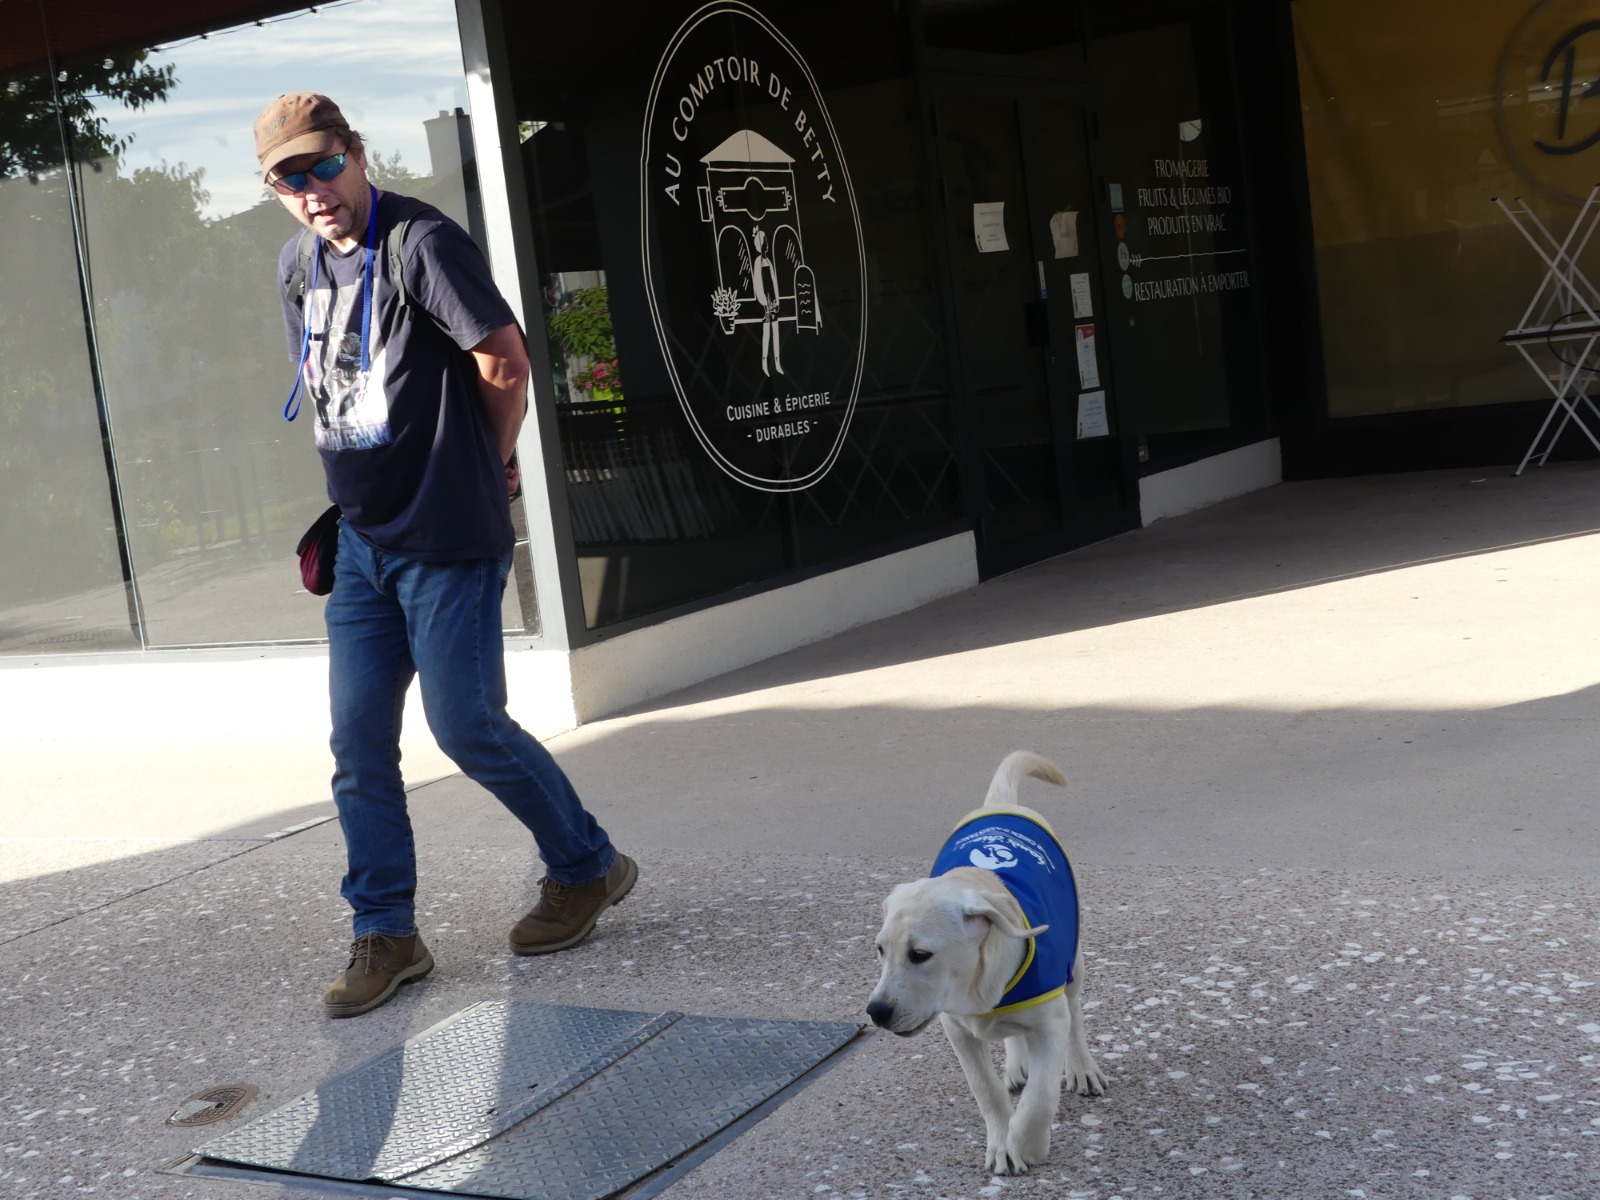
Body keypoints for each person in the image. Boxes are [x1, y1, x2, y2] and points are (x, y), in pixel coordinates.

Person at [254, 93, 636, 1017]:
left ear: (356, 152)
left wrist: (488, 463)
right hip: (361, 541)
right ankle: (388, 932)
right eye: (289, 179)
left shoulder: (420, 242)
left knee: (465, 723)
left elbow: (504, 361)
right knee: (358, 745)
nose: (313, 190)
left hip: (447, 535)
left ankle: (585, 865)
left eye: (324, 165)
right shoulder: (298, 265)